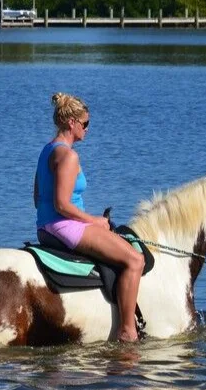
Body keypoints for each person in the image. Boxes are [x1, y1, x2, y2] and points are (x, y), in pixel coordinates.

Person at [34, 93, 145, 342]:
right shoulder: (69, 156)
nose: (87, 129)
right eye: (85, 124)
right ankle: (128, 330)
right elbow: (61, 204)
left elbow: (37, 197)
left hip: (45, 225)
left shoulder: (47, 150)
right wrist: (95, 221)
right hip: (64, 226)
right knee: (135, 260)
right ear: (72, 122)